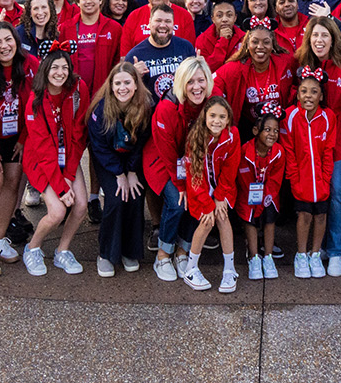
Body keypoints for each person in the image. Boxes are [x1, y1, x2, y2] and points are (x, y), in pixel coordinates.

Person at [21, 48, 89, 276]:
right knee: (58, 211)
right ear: (45, 70)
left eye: (65, 68)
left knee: (81, 205)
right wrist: (61, 187)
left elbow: (79, 135)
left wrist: (68, 176)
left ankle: (63, 251)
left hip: (68, 156)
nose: (60, 72)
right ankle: (32, 248)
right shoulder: (36, 100)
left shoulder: (78, 89)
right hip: (41, 161)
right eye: (54, 67)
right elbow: (43, 149)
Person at [145, 55, 212, 280]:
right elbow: (167, 153)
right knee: (177, 202)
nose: (196, 87)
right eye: (190, 81)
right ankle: (163, 254)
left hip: (192, 161)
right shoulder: (167, 107)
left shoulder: (210, 103)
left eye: (201, 80)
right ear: (181, 83)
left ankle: (183, 250)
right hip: (163, 161)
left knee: (199, 197)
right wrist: (181, 185)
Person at [86, 61, 151, 277]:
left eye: (127, 83)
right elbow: (99, 148)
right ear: (111, 86)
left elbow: (142, 143)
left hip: (132, 159)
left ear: (136, 85)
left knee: (135, 195)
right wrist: (119, 174)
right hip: (108, 161)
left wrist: (131, 171)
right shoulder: (100, 110)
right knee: (115, 197)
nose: (122, 88)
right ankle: (106, 254)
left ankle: (129, 251)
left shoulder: (145, 106)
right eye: (117, 83)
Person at [179, 96, 241, 291]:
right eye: (212, 115)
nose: (217, 121)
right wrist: (207, 204)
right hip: (200, 190)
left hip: (222, 188)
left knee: (222, 217)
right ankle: (191, 268)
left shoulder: (233, 135)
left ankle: (230, 270)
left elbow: (231, 168)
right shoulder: (195, 137)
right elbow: (194, 176)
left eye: (222, 117)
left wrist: (220, 197)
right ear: (205, 116)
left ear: (228, 119)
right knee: (207, 221)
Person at [283, 76, 337, 278]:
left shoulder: (328, 117)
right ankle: (301, 254)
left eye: (314, 91)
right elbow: (289, 150)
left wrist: (326, 177)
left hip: (320, 179)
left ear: (321, 96)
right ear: (297, 94)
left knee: (321, 215)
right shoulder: (290, 115)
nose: (308, 96)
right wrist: (295, 179)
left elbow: (329, 150)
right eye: (304, 91)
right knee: (304, 215)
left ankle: (315, 254)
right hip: (301, 179)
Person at [236, 110, 285, 280]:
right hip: (248, 194)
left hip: (269, 194)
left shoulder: (279, 152)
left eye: (276, 131)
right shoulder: (245, 151)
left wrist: (266, 197)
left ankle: (268, 257)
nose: (272, 134)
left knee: (270, 218)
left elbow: (276, 179)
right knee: (249, 218)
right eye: (268, 130)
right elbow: (242, 177)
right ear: (256, 131)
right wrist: (255, 197)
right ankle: (254, 257)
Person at [126, 3, 197, 102]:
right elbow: (125, 93)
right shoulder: (134, 55)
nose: (163, 25)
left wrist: (200, 67)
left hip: (180, 108)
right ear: (150, 23)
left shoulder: (186, 48)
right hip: (149, 110)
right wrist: (134, 76)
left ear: (173, 24)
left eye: (168, 21)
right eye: (158, 21)